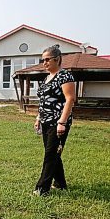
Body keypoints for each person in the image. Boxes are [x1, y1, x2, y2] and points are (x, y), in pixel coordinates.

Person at [33, 44, 76, 196]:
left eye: (47, 60)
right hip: (45, 120)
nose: (44, 63)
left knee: (50, 155)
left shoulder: (65, 76)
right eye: (42, 60)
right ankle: (60, 184)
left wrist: (62, 122)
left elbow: (70, 99)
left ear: (57, 59)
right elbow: (43, 100)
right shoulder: (46, 78)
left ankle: (42, 188)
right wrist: (38, 117)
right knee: (52, 153)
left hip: (58, 122)